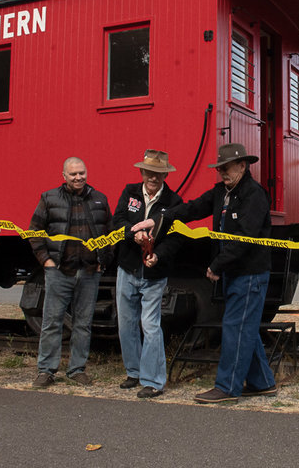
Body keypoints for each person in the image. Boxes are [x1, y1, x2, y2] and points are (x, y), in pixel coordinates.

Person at [133, 143, 276, 404]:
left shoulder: (254, 195)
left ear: (242, 166)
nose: (221, 172)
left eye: (226, 168)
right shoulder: (222, 191)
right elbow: (192, 209)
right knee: (245, 327)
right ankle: (262, 382)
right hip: (235, 272)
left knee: (236, 327)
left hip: (249, 274)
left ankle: (227, 387)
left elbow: (245, 238)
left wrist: (216, 264)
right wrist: (158, 219)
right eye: (219, 168)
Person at [29, 157, 111, 388]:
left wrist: (102, 261)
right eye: (73, 174)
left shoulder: (99, 199)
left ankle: (77, 370)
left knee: (83, 323)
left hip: (88, 273)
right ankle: (46, 371)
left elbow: (111, 233)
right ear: (63, 175)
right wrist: (45, 261)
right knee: (52, 322)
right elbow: (34, 231)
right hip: (59, 272)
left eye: (82, 173)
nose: (78, 178)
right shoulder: (49, 198)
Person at [113, 149, 184, 398]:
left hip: (154, 272)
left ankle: (153, 381)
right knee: (126, 324)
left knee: (150, 325)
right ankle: (133, 372)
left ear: (165, 175)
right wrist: (133, 233)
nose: (154, 178)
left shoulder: (174, 202)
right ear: (142, 172)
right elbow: (118, 220)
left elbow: (175, 238)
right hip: (127, 267)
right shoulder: (129, 192)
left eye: (159, 174)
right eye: (150, 172)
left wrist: (158, 255)